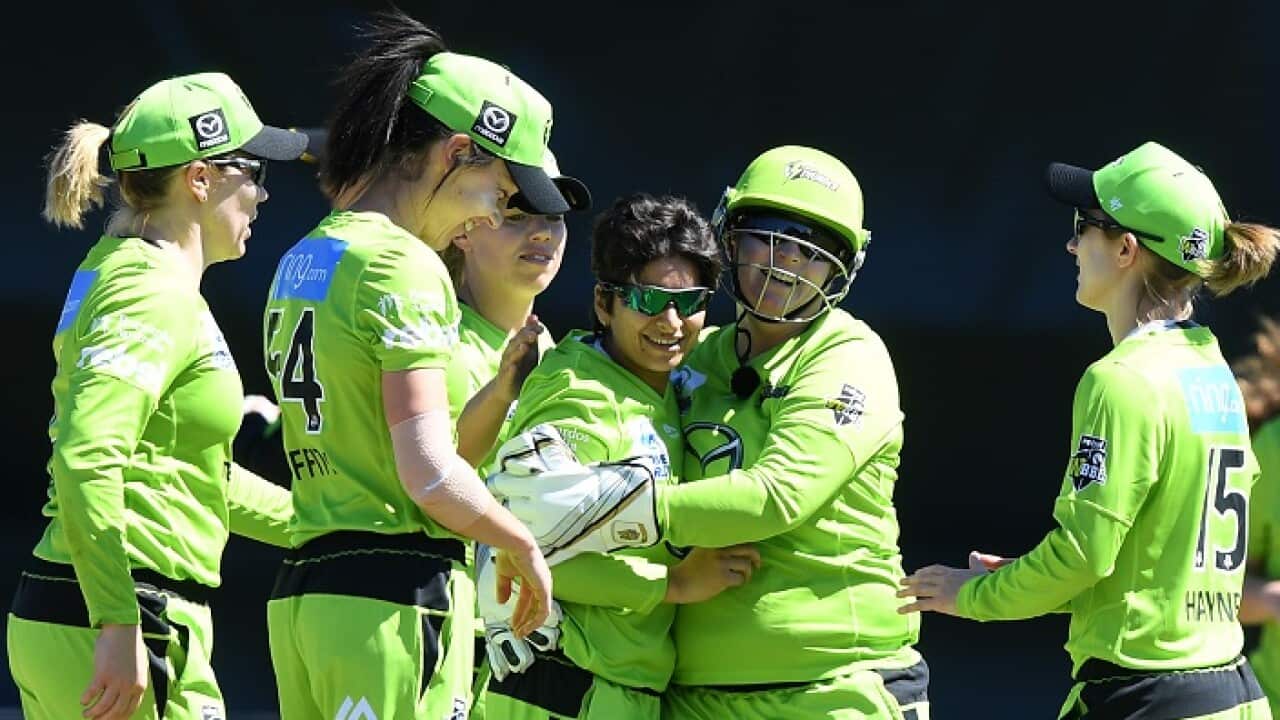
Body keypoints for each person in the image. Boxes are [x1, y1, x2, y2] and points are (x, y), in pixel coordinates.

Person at [490, 146, 930, 719]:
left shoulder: (848, 355)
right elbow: (595, 389)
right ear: (729, 240)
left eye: (811, 252)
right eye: (768, 239)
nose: (784, 265)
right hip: (687, 699)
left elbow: (779, 495)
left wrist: (600, 508)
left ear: (843, 270)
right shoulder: (687, 360)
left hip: (832, 686)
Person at [898, 141, 1280, 719]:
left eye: (1086, 226)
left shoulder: (1122, 379)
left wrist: (971, 595)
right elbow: (1148, 566)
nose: (1072, 243)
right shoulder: (1213, 370)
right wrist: (1029, 577)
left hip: (1146, 698)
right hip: (1230, 695)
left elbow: (1082, 555)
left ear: (1127, 248)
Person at [261, 10, 561, 719]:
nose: (492, 217)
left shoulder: (304, 253)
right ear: (458, 151)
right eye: (500, 191)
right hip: (396, 600)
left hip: (303, 597)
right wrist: (519, 543)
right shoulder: (405, 265)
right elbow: (427, 471)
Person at [8, 72, 309, 720]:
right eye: (251, 171)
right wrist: (118, 623)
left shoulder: (126, 271)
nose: (260, 194)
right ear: (199, 180)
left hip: (99, 612)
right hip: (123, 620)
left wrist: (326, 523)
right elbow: (88, 456)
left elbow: (186, 477)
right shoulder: (149, 290)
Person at [479, 192, 761, 720]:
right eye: (649, 300)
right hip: (561, 683)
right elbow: (518, 546)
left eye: (692, 301)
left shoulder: (669, 382)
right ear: (604, 303)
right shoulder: (580, 392)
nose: (672, 322)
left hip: (615, 689)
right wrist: (673, 583)